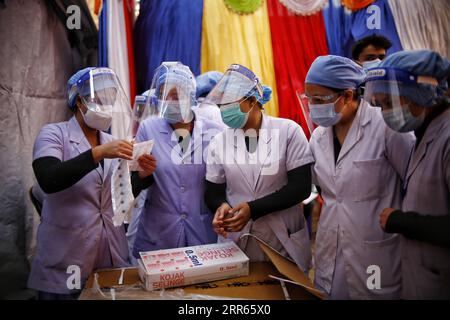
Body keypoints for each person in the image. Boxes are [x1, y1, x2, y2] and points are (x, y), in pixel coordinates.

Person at [305, 55, 415, 299]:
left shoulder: (386, 126)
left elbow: (414, 180)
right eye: (309, 99)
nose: (313, 106)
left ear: (347, 96)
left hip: (377, 250)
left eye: (319, 99)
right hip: (330, 248)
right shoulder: (318, 137)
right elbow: (325, 190)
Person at [28, 67, 132, 299]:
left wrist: (143, 175)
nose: (105, 105)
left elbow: (120, 194)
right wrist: (98, 153)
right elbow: (49, 178)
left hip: (110, 256)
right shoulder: (53, 134)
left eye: (109, 99)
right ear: (79, 102)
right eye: (98, 99)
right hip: (66, 258)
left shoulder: (111, 142)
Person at [204, 64, 313, 273]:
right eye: (222, 106)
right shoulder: (219, 141)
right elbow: (213, 192)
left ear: (252, 101)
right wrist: (221, 207)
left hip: (282, 237)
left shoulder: (288, 131)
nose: (224, 111)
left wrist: (252, 209)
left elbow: (300, 188)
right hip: (238, 238)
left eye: (229, 104)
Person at [364, 50, 450, 299]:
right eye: (380, 104)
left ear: (422, 94)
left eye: (390, 103)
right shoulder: (424, 131)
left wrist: (402, 221)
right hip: (422, 274)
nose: (384, 113)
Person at [131, 62, 223, 258]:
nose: (171, 100)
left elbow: (223, 183)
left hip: (202, 233)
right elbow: (133, 185)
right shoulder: (149, 128)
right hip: (159, 235)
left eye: (177, 94)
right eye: (165, 95)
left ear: (191, 94)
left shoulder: (215, 131)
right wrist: (142, 174)